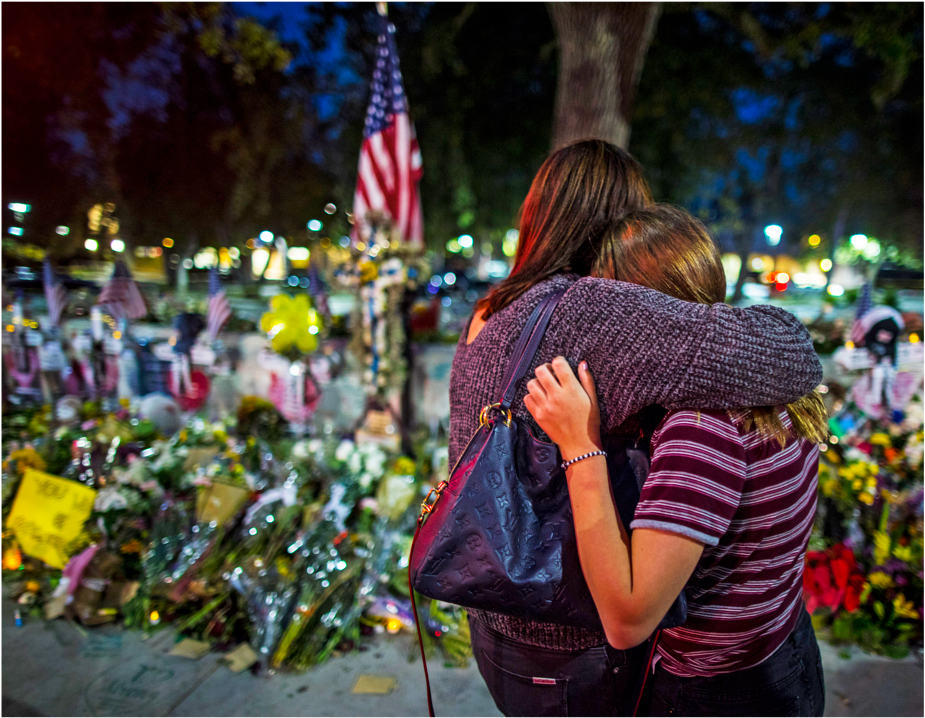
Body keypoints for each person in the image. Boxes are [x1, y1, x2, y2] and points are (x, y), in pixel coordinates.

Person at [452, 140, 823, 718]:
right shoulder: (594, 310)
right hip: (573, 637)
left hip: (488, 604)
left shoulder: (489, 308)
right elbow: (791, 355)